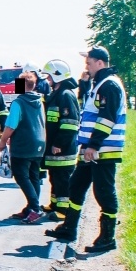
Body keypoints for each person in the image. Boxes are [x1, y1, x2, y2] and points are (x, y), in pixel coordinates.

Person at [45, 46, 127, 252]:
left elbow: (107, 118)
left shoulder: (109, 85)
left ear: (100, 63)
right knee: (76, 186)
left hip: (102, 150)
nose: (86, 67)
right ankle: (69, 227)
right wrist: (84, 84)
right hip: (90, 149)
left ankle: (107, 238)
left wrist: (94, 145)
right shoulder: (97, 84)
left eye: (89, 63)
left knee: (104, 192)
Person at [0, 70, 46, 224]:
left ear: (23, 85)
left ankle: (36, 208)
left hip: (23, 144)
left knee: (21, 175)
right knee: (33, 176)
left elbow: (11, 125)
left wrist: (3, 141)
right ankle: (31, 208)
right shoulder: (39, 100)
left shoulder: (19, 102)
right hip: (39, 143)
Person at [39, 60, 80, 220]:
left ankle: (63, 211)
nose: (47, 80)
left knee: (63, 179)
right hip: (54, 149)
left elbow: (70, 124)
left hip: (63, 150)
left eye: (49, 76)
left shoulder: (66, 95)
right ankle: (55, 204)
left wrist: (58, 144)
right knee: (54, 177)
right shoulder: (55, 95)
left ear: (57, 76)